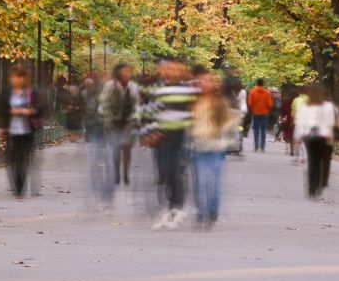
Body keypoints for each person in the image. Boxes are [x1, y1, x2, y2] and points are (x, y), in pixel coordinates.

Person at [140, 57, 198, 230]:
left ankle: (177, 207)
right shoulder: (158, 90)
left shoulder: (187, 91)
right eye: (167, 68)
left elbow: (194, 112)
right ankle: (169, 205)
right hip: (161, 137)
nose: (169, 71)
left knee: (176, 171)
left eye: (174, 68)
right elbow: (147, 113)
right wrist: (148, 133)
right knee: (163, 172)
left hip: (181, 136)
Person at [189, 71, 238, 229]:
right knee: (199, 181)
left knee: (212, 180)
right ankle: (201, 213)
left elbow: (232, 120)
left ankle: (212, 211)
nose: (204, 83)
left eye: (207, 81)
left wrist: (218, 129)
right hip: (198, 146)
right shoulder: (195, 102)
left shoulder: (221, 102)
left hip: (216, 146)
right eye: (201, 80)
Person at [0, 65, 43, 198]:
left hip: (27, 131)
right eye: (14, 77)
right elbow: (1, 109)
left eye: (19, 77)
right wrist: (11, 112)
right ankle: (16, 185)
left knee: (24, 158)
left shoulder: (31, 93)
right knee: (13, 159)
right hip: (12, 131)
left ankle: (21, 184)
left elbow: (40, 110)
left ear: (24, 78)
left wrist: (29, 111)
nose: (16, 80)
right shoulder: (7, 93)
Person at [98, 63, 140, 191]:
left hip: (128, 121)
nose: (127, 73)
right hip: (113, 122)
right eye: (124, 71)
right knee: (115, 148)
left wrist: (136, 118)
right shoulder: (109, 86)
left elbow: (137, 104)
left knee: (126, 146)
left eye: (129, 71)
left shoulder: (133, 86)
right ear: (118, 72)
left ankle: (126, 173)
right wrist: (106, 119)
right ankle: (117, 173)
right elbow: (103, 103)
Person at [293, 83, 336, 198]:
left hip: (309, 137)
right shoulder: (328, 106)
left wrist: (297, 137)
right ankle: (319, 184)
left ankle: (311, 187)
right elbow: (331, 123)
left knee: (313, 161)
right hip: (324, 137)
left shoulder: (304, 106)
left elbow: (300, 123)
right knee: (322, 161)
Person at [247, 78, 273, 152]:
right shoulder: (267, 93)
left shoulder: (252, 92)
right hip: (264, 113)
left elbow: (250, 103)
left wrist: (252, 109)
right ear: (263, 84)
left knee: (256, 130)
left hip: (255, 113)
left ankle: (256, 145)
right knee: (263, 130)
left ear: (257, 84)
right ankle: (262, 146)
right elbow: (270, 104)